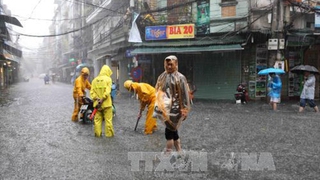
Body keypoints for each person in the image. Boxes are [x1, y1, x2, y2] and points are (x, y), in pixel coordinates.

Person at [154, 55, 191, 155]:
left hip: (176, 109)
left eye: (171, 64)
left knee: (169, 133)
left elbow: (185, 95)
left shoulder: (180, 78)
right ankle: (179, 151)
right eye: (167, 64)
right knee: (173, 131)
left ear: (176, 64)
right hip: (165, 109)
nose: (169, 67)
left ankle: (168, 153)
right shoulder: (162, 77)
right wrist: (157, 106)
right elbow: (157, 92)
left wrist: (185, 109)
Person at [90, 65, 114, 137]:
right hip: (106, 104)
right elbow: (108, 91)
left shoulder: (94, 80)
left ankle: (98, 135)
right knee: (108, 121)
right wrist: (102, 99)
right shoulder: (108, 79)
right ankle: (109, 136)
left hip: (97, 105)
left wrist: (97, 99)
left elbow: (91, 92)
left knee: (97, 121)